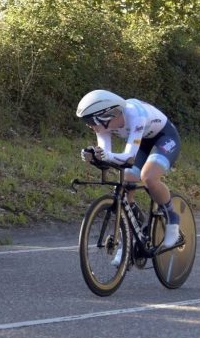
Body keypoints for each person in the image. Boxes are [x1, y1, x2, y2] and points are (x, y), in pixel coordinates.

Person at [76, 89, 182, 263]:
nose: (89, 125)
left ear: (106, 114)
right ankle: (132, 236)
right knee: (126, 183)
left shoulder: (134, 114)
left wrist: (104, 156)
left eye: (90, 120)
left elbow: (128, 157)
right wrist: (94, 156)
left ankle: (172, 217)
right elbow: (108, 155)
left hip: (164, 138)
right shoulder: (102, 124)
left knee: (148, 177)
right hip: (141, 143)